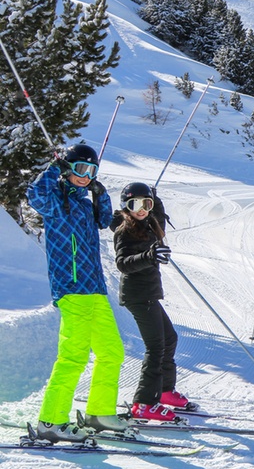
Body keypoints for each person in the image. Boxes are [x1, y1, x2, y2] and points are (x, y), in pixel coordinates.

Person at [26, 143, 129, 442]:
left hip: (95, 289)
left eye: (92, 171)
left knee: (112, 352)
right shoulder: (56, 201)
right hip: (71, 288)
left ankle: (99, 414)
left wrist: (101, 194)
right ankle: (51, 420)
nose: (86, 176)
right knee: (74, 356)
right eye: (81, 169)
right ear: (68, 168)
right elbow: (35, 196)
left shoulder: (84, 205)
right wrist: (52, 170)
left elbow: (103, 219)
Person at [110, 182, 189, 422]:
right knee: (156, 347)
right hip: (137, 295)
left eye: (147, 203)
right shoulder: (124, 230)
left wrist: (157, 199)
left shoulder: (148, 224)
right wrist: (149, 255)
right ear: (126, 205)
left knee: (170, 339)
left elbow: (160, 221)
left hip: (149, 294)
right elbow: (123, 263)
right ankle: (143, 403)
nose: (142, 209)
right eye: (136, 204)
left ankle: (164, 391)